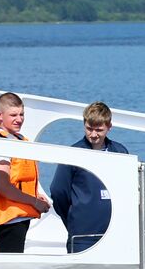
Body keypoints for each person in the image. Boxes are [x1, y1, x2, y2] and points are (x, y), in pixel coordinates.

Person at [50, 101, 128, 253]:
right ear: (84, 124)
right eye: (89, 129)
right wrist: (74, 218)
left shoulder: (120, 152)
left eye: (99, 130)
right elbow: (58, 192)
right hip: (82, 235)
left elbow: (129, 191)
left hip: (115, 232)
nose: (93, 134)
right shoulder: (73, 153)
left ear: (109, 127)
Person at [0, 92, 50, 253]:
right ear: (0, 115)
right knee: (10, 267)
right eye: (13, 115)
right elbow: (3, 186)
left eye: (21, 114)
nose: (19, 119)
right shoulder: (1, 143)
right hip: (9, 220)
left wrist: (35, 195)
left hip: (19, 216)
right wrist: (34, 202)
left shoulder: (17, 139)